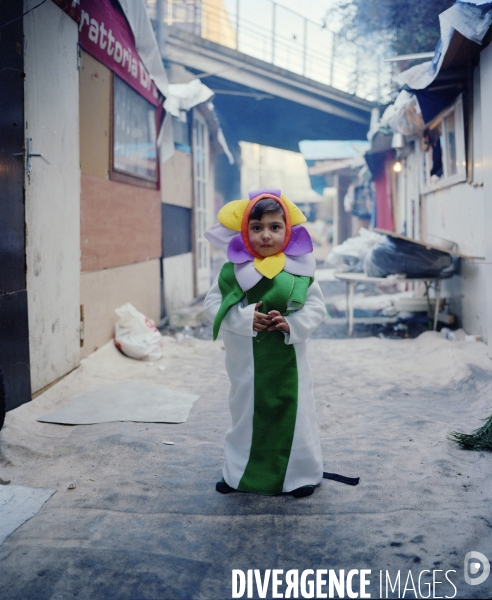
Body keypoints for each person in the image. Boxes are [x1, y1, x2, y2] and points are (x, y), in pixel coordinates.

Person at [204, 188, 326, 498]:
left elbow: (315, 307)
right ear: (245, 231)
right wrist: (244, 319)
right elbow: (212, 305)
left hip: (289, 360)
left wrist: (293, 324)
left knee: (293, 413)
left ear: (288, 231)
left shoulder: (301, 268)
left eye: (275, 227)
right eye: (256, 228)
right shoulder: (233, 271)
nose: (266, 236)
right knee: (246, 414)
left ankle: (299, 475)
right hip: (246, 362)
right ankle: (238, 473)